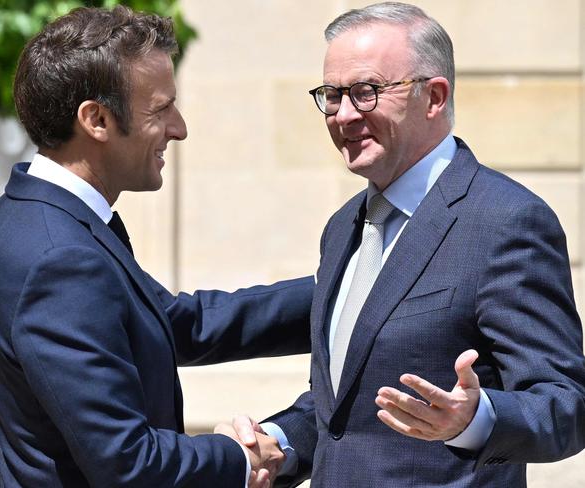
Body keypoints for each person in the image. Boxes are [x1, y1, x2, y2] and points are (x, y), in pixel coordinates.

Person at [223, 2, 585, 486]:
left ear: (433, 97)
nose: (344, 115)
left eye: (366, 92)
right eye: (332, 95)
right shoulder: (342, 227)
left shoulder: (505, 222)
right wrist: (276, 444)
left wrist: (475, 420)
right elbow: (341, 409)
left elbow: (567, 404)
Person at [0, 6, 313, 487]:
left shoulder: (30, 217)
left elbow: (170, 323)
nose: (179, 127)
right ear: (97, 119)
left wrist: (337, 289)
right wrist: (238, 458)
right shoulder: (58, 256)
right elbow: (126, 461)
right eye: (161, 108)